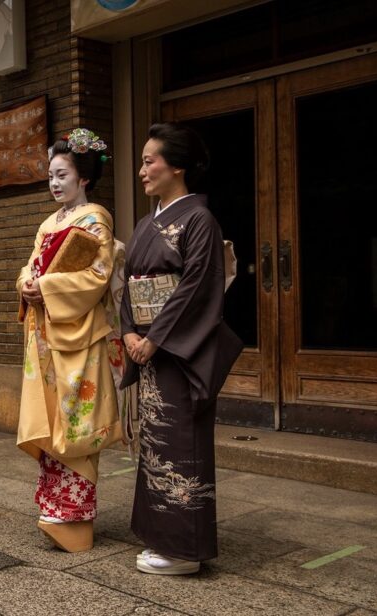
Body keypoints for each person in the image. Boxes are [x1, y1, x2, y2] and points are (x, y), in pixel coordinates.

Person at [120, 123, 243, 575]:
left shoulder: (199, 220)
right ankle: (162, 539)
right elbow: (129, 285)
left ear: (177, 165)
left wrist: (154, 338)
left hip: (177, 350)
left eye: (150, 161)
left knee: (181, 441)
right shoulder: (145, 223)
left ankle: (185, 550)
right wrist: (130, 331)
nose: (142, 171)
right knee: (156, 442)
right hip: (150, 349)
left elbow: (197, 287)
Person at [16, 129, 127, 553]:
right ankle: (54, 507)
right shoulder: (49, 223)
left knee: (75, 420)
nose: (54, 183)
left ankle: (74, 516)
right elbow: (31, 267)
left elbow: (95, 277)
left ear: (84, 178)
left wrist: (43, 288)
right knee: (50, 420)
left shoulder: (95, 218)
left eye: (62, 175)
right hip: (46, 334)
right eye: (50, 175)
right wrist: (27, 283)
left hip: (79, 335)